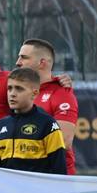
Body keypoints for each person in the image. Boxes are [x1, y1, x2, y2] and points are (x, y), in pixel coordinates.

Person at [16, 38, 78, 175]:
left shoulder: (62, 94)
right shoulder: (14, 91)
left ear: (41, 63)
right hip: (23, 175)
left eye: (24, 58)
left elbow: (64, 140)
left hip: (54, 177)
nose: (18, 62)